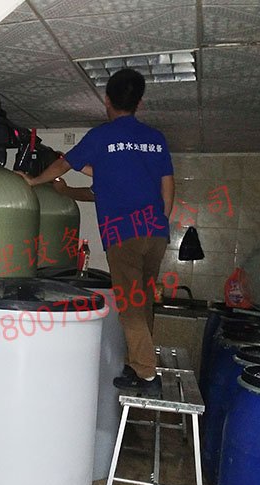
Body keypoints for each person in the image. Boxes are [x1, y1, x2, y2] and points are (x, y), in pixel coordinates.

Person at [20, 68, 174, 394]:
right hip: (156, 232)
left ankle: (147, 375)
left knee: (129, 304)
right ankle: (136, 365)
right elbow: (165, 185)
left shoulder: (101, 137)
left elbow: (63, 164)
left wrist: (33, 181)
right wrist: (161, 220)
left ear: (107, 100)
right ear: (139, 103)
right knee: (143, 299)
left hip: (124, 234)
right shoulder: (156, 139)